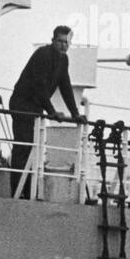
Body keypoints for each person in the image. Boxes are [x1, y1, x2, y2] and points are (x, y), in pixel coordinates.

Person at [8, 26, 81, 196]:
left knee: (33, 149)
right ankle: (18, 192)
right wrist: (51, 111)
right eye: (60, 41)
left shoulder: (64, 60)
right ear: (53, 40)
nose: (64, 46)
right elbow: (39, 84)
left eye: (67, 42)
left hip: (36, 107)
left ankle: (27, 190)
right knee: (23, 147)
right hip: (22, 105)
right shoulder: (43, 54)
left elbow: (65, 86)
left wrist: (75, 113)